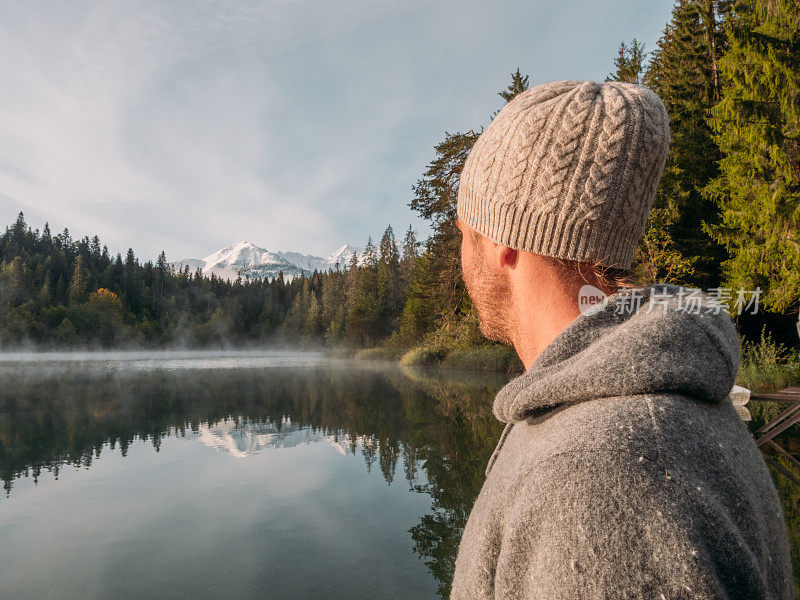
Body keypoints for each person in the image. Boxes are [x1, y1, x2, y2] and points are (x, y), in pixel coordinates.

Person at [450, 80, 793, 600]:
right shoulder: (658, 412)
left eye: (464, 231)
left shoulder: (594, 474)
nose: (461, 255)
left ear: (501, 242)